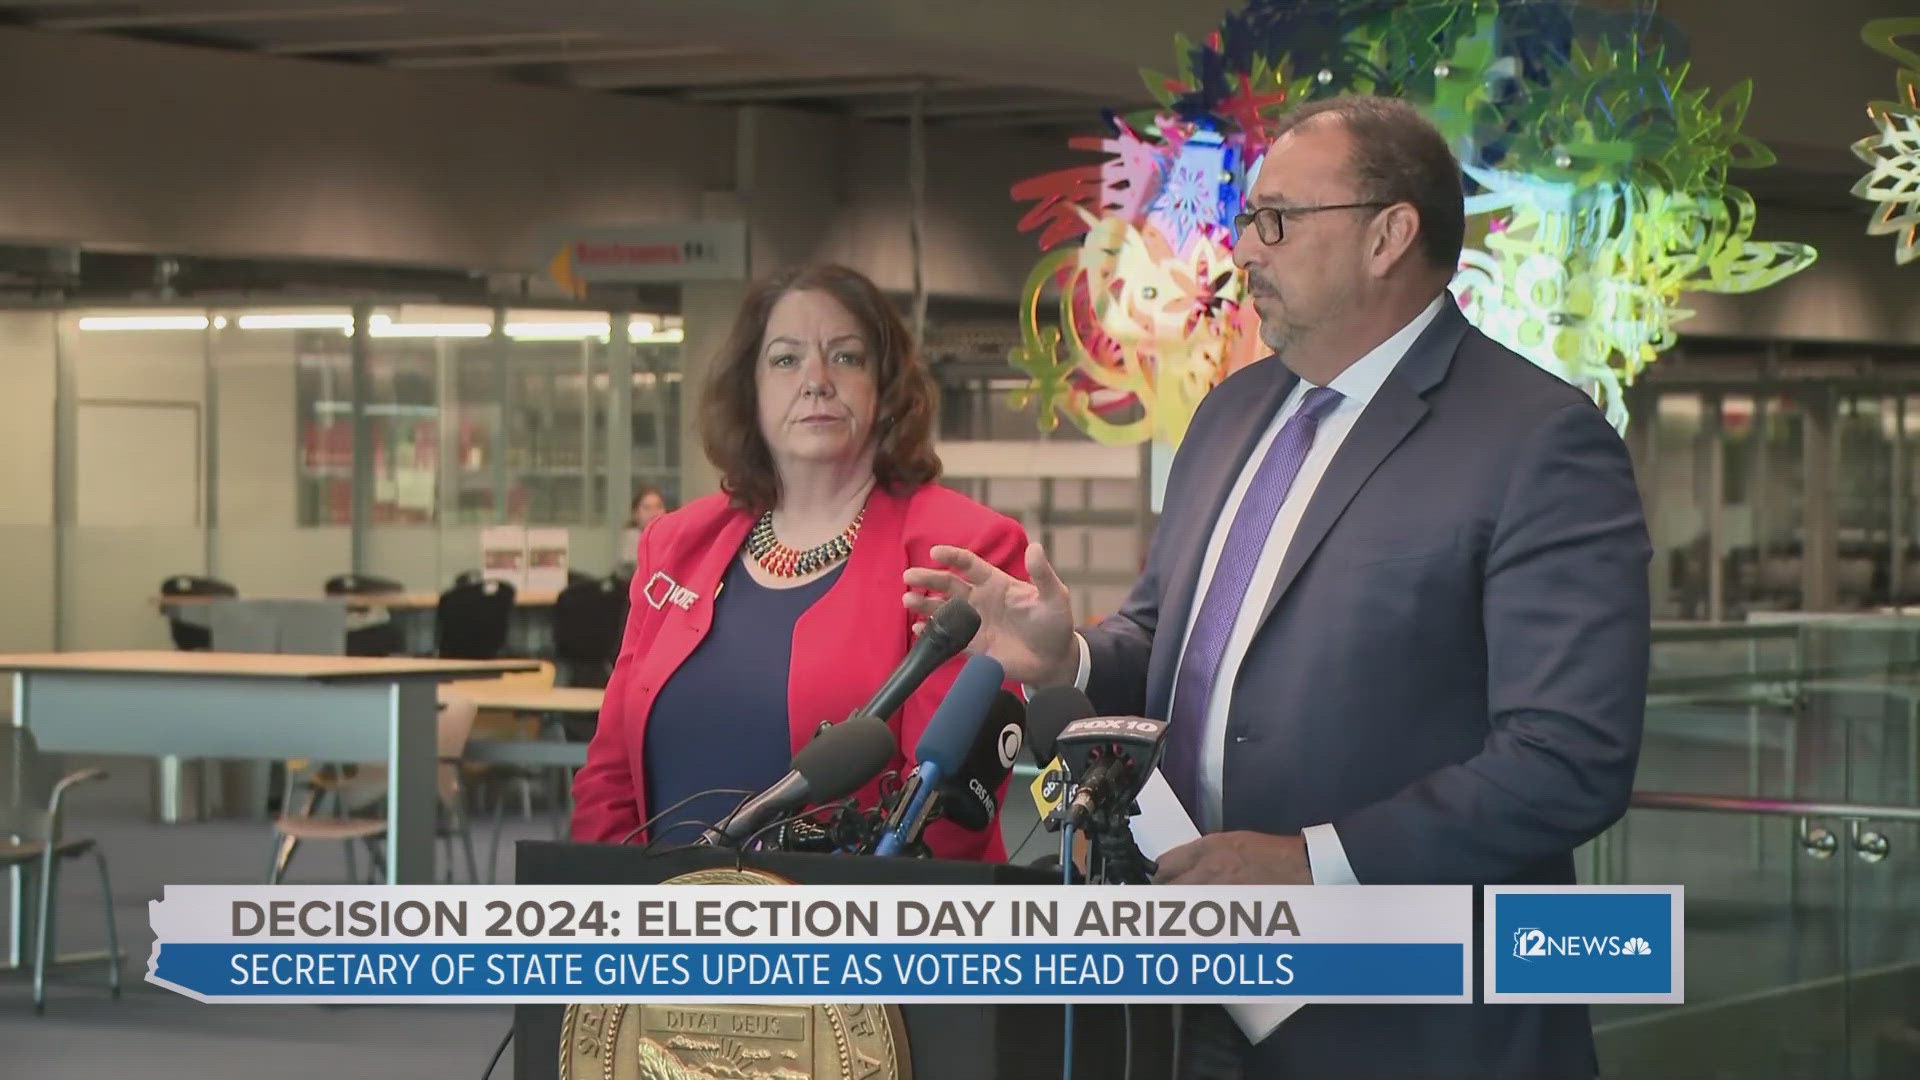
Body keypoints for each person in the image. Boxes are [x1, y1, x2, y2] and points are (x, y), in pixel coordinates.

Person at [905, 96, 1650, 1078]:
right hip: (1186, 993)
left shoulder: (1536, 442)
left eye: (1277, 221)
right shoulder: (1231, 415)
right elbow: (1175, 643)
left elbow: (1569, 759)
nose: (1243, 253)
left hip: (1407, 1023)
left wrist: (1314, 862)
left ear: (1389, 234)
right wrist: (1069, 656)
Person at [573, 263, 1030, 861]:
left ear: (885, 387)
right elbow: (608, 777)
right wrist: (612, 910)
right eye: (786, 360)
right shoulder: (675, 544)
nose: (816, 381)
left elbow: (940, 820)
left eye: (846, 358)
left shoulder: (962, 548)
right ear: (751, 390)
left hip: (857, 937)